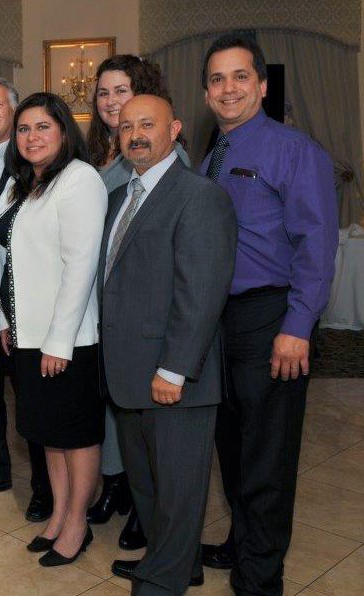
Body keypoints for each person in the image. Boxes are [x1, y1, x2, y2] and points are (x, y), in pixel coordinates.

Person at [198, 33, 338, 596]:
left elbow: (318, 245)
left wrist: (296, 327)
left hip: (270, 315)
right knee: (231, 445)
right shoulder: (212, 157)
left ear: (260, 83)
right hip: (219, 322)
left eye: (238, 77)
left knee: (268, 454)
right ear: (206, 92)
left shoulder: (294, 150)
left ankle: (261, 576)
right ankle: (242, 542)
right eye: (216, 79)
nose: (227, 89)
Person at [100, 94, 237, 594]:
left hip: (174, 378)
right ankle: (176, 562)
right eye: (127, 126)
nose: (135, 134)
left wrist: (174, 370)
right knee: (149, 488)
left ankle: (163, 582)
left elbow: (201, 293)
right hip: (127, 374)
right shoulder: (119, 199)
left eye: (148, 124)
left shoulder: (199, 196)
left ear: (174, 128)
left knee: (179, 492)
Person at [84, 54, 191, 551]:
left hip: (144, 311)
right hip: (102, 302)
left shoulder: (167, 159)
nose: (111, 102)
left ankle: (141, 504)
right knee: (112, 401)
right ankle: (116, 484)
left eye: (121, 91)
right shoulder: (98, 152)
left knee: (144, 416)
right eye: (103, 94)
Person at [0, 92, 106, 566]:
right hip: (26, 335)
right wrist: (5, 320)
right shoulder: (19, 185)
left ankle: (78, 523)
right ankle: (59, 513)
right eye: (23, 129)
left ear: (64, 130)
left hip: (67, 340)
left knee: (75, 436)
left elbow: (80, 266)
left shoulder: (80, 180)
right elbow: (5, 259)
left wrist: (59, 341)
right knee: (48, 435)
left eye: (43, 127)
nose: (32, 137)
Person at [0, 76, 54, 523]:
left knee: (32, 400)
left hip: (24, 303)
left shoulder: (34, 161)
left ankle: (45, 488)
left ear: (14, 112)